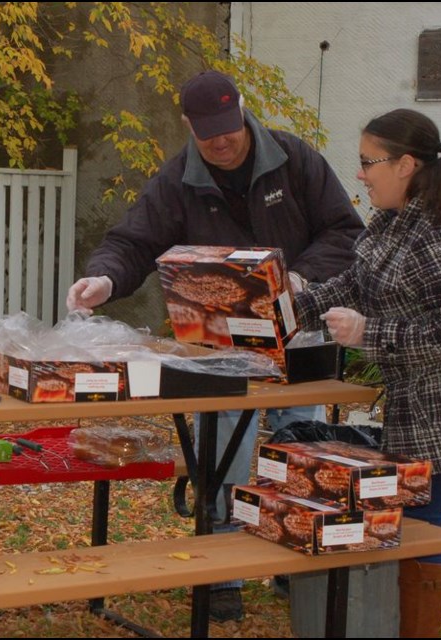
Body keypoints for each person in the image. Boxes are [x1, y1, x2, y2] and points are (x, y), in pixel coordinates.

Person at [66, 70, 364, 621]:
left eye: (229, 129)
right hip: (220, 346)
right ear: (188, 127)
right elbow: (133, 241)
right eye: (208, 134)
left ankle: (293, 553)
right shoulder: (178, 177)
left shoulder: (295, 160)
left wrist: (298, 280)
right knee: (224, 443)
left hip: (301, 336)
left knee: (301, 445)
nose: (221, 141)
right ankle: (222, 562)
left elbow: (345, 232)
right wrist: (104, 280)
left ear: (244, 111)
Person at [296, 108, 441, 638]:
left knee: (414, 534)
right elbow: (351, 288)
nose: (362, 174)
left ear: (406, 165)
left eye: (370, 162)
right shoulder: (394, 225)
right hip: (423, 416)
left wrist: (368, 333)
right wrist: (279, 305)